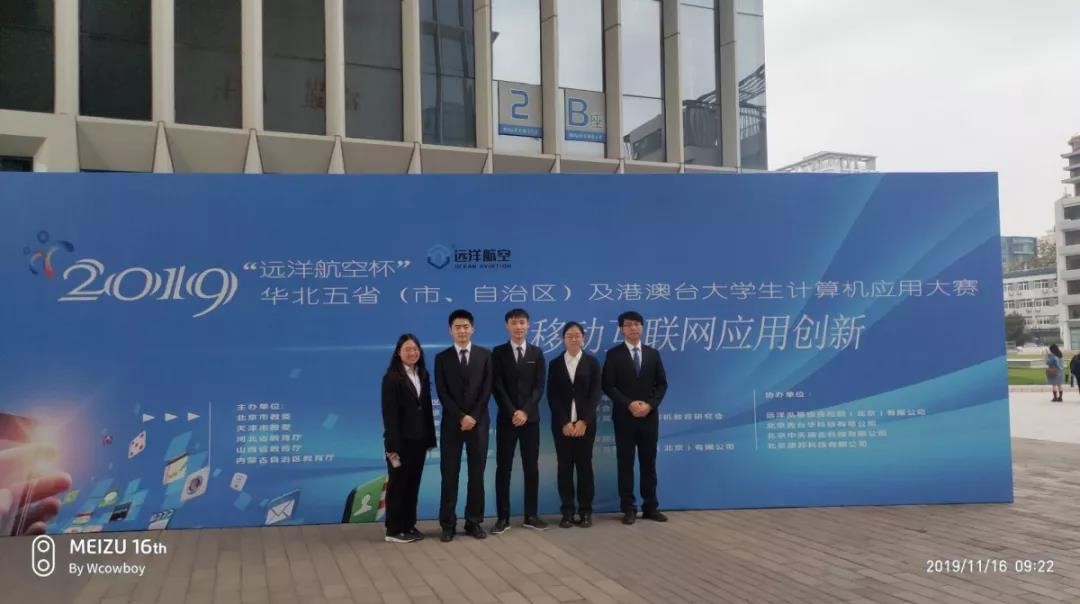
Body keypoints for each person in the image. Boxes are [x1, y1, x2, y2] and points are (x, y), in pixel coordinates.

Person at [603, 310, 669, 525]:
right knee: (626, 464)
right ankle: (628, 508)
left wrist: (649, 405)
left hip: (649, 417)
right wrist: (629, 404)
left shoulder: (653, 353)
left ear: (642, 327)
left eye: (637, 324)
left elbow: (662, 384)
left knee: (649, 463)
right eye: (628, 324)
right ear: (621, 329)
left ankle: (650, 507)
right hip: (625, 417)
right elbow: (608, 385)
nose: (633, 328)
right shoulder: (614, 355)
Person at [434, 309, 493, 542]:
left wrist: (473, 417)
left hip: (478, 424)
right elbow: (442, 393)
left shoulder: (485, 355)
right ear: (450, 330)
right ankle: (448, 524)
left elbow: (486, 389)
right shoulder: (442, 358)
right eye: (457, 327)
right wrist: (461, 417)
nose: (462, 330)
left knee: (476, 474)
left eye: (465, 326)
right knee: (449, 475)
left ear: (472, 329)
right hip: (452, 424)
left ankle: (473, 521)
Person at [491, 309, 547, 534]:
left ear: (528, 325)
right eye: (514, 323)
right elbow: (497, 386)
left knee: (531, 467)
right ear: (507, 325)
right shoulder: (498, 353)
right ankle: (502, 518)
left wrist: (525, 411)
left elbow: (539, 387)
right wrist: (513, 412)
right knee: (503, 468)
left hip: (530, 420)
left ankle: (531, 515)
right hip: (507, 420)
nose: (518, 327)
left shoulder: (536, 352)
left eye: (522, 323)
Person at [380, 334, 437, 543]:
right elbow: (389, 414)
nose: (412, 353)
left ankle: (409, 525)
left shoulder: (422, 374)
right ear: (398, 352)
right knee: (398, 485)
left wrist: (430, 439)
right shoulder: (391, 378)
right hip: (400, 443)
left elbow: (427, 409)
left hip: (419, 441)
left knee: (413, 484)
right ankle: (394, 529)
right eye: (407, 349)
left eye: (415, 349)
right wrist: (392, 446)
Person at [547, 321, 602, 528]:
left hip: (585, 426)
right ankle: (567, 512)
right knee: (564, 468)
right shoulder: (555, 364)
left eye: (577, 335)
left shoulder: (592, 362)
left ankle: (585, 511)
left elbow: (595, 394)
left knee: (584, 467)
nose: (573, 338)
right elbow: (552, 396)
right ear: (563, 339)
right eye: (569, 335)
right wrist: (564, 422)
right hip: (562, 426)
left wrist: (584, 421)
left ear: (583, 338)